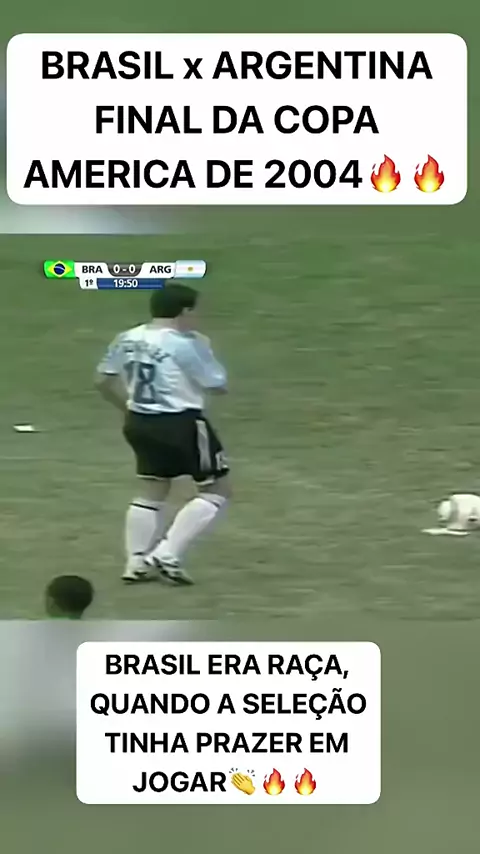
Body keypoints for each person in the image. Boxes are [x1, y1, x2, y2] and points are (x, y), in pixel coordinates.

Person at [95, 284, 230, 585]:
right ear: (185, 311)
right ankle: (165, 554)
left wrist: (127, 407)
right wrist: (204, 349)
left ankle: (135, 562)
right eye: (196, 311)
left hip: (140, 422)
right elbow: (217, 385)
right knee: (216, 490)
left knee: (152, 489)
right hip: (181, 423)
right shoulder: (186, 344)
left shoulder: (127, 338)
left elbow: (102, 380)